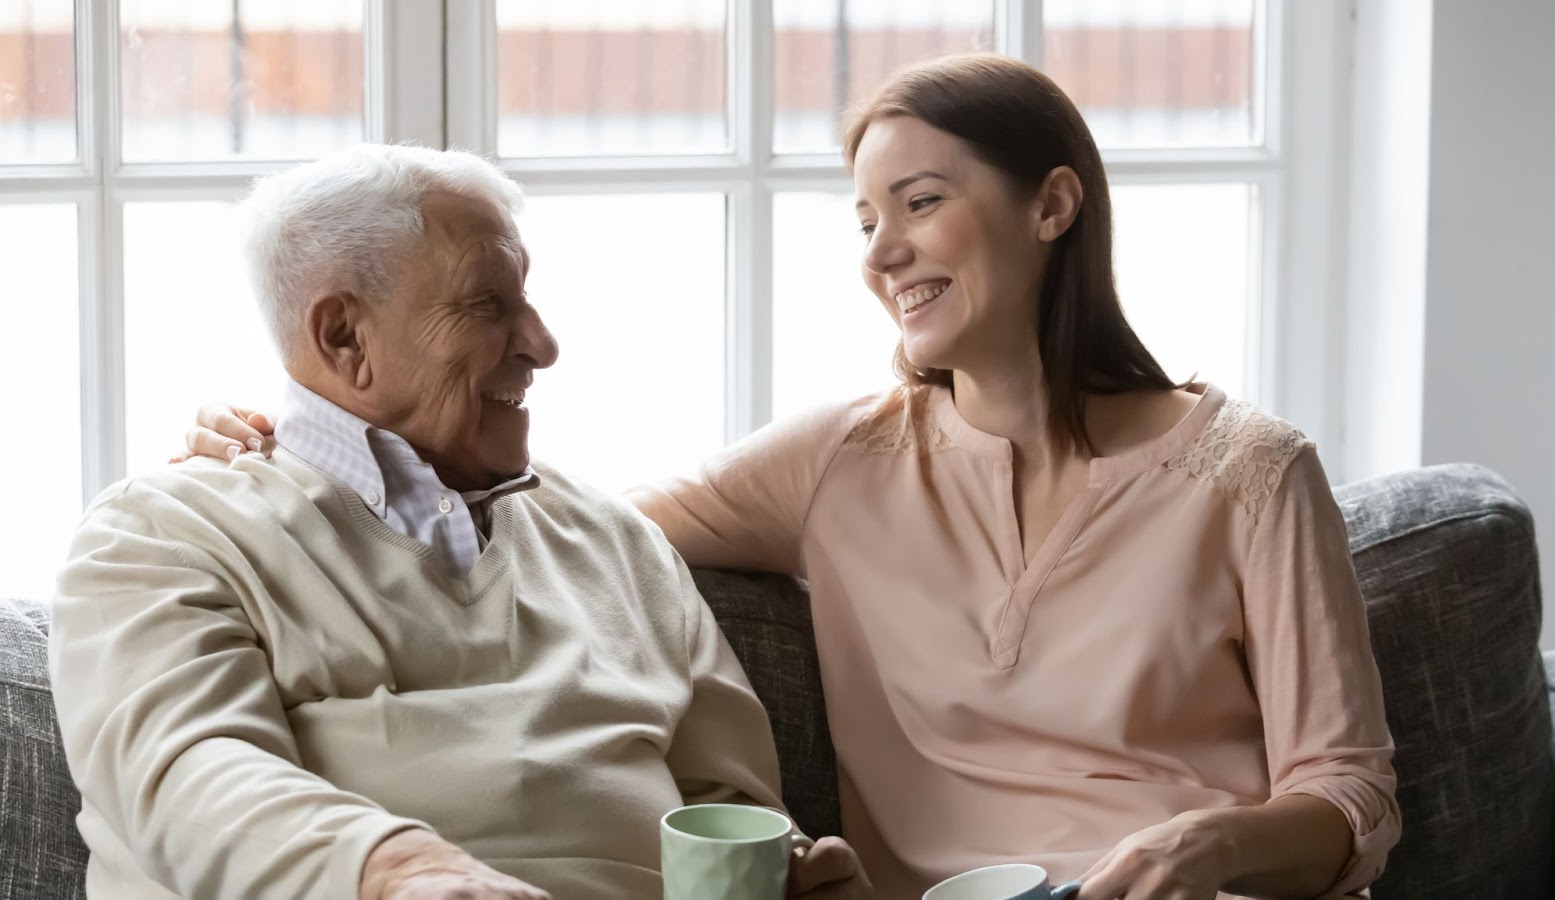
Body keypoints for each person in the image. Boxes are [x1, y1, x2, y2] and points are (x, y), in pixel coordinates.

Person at [185, 55, 1400, 899]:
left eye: (920, 202)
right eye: (864, 218)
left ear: (1052, 206)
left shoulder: (1252, 474)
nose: (882, 251)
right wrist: (299, 441)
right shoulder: (836, 465)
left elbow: (1349, 793)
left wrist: (1215, 847)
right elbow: (552, 528)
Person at [54, 143, 868, 900]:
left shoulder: (614, 538)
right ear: (343, 336)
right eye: (488, 304)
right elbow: (186, 773)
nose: (542, 346)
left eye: (527, 300)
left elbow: (726, 801)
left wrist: (788, 873)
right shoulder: (160, 536)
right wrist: (400, 871)